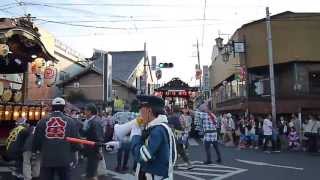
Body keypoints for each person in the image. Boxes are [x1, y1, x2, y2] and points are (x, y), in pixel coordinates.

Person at [107, 95, 177, 180]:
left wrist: (135, 135)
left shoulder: (158, 130)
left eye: (141, 111)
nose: (139, 115)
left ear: (149, 111)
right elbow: (143, 144)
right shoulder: (154, 127)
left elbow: (142, 156)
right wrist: (119, 145)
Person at [32, 97, 80, 180]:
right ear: (64, 108)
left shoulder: (42, 121)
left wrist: (38, 150)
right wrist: (74, 154)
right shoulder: (71, 121)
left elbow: (36, 140)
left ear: (52, 107)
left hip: (47, 158)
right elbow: (75, 142)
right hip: (64, 158)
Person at [80, 103, 105, 180]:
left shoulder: (95, 122)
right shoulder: (92, 120)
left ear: (90, 111)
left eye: (85, 110)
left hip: (93, 150)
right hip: (90, 149)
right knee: (91, 171)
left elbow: (99, 138)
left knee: (92, 173)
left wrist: (98, 150)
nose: (84, 112)